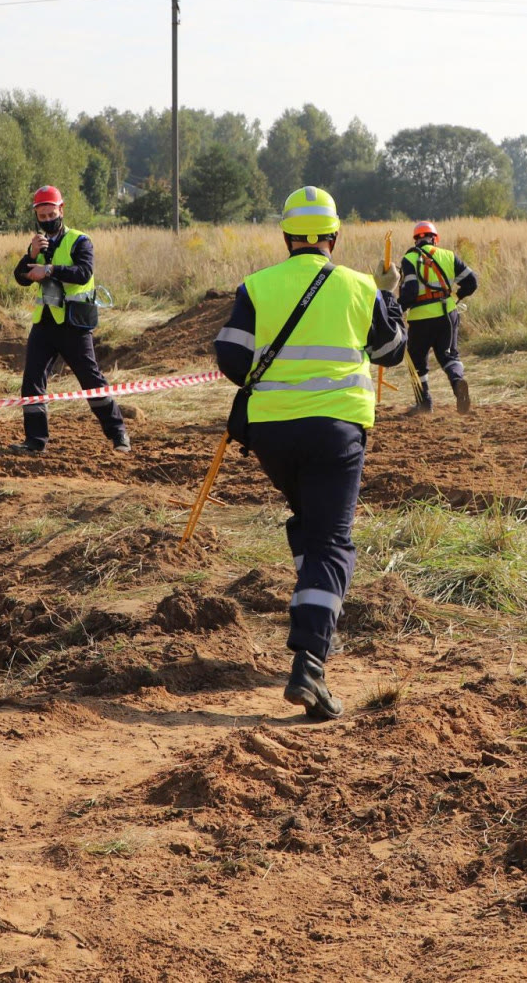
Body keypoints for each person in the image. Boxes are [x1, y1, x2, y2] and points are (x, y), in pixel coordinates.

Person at [213, 186, 407, 720]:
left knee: (308, 527)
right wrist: (389, 301)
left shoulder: (257, 286)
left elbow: (230, 358)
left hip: (271, 435)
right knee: (333, 543)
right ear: (335, 235)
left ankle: (317, 622)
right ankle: (310, 661)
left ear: (287, 236)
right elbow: (392, 351)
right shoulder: (360, 286)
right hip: (336, 433)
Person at [13, 185, 130, 454]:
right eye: (41, 217)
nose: (46, 220)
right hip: (44, 323)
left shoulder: (80, 241)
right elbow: (21, 277)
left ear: (61, 210)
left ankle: (118, 434)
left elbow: (83, 272)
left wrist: (50, 269)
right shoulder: (38, 245)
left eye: (50, 214)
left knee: (91, 380)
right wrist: (30, 256)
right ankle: (35, 441)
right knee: (32, 381)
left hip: (74, 325)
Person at [397, 221, 479, 413]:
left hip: (420, 318)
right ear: (435, 239)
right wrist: (456, 297)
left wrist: (397, 309)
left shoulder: (409, 258)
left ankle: (424, 403)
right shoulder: (448, 256)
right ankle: (458, 382)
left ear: (416, 239)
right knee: (449, 355)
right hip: (447, 315)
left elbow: (410, 292)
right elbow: (472, 282)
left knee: (417, 360)